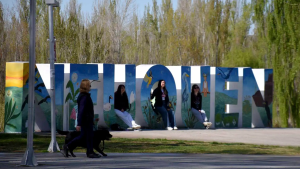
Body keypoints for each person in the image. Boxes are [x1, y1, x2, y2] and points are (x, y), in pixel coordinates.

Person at [62, 79, 100, 158]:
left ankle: (90, 151)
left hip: (88, 119)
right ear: (86, 86)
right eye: (89, 85)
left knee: (88, 136)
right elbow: (81, 110)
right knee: (85, 136)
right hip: (86, 120)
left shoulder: (85, 96)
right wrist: (79, 124)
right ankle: (68, 146)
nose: (90, 87)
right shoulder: (84, 97)